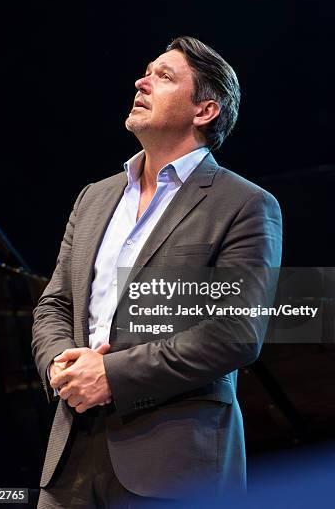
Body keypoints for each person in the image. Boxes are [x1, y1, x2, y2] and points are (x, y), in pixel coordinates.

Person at [32, 36, 282, 508]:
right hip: (70, 450)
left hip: (175, 462)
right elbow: (55, 304)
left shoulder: (244, 204)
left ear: (204, 110)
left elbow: (236, 333)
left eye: (163, 76)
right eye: (146, 72)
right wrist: (61, 365)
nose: (141, 82)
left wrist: (111, 374)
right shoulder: (94, 198)